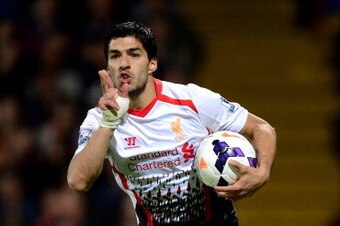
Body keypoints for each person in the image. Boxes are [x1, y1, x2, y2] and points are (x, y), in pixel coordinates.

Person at [67, 21, 277, 226]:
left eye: (134, 54)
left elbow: (261, 128)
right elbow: (78, 181)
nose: (123, 63)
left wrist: (263, 171)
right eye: (115, 56)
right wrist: (109, 123)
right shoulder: (100, 118)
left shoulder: (191, 99)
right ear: (108, 67)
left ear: (152, 64)